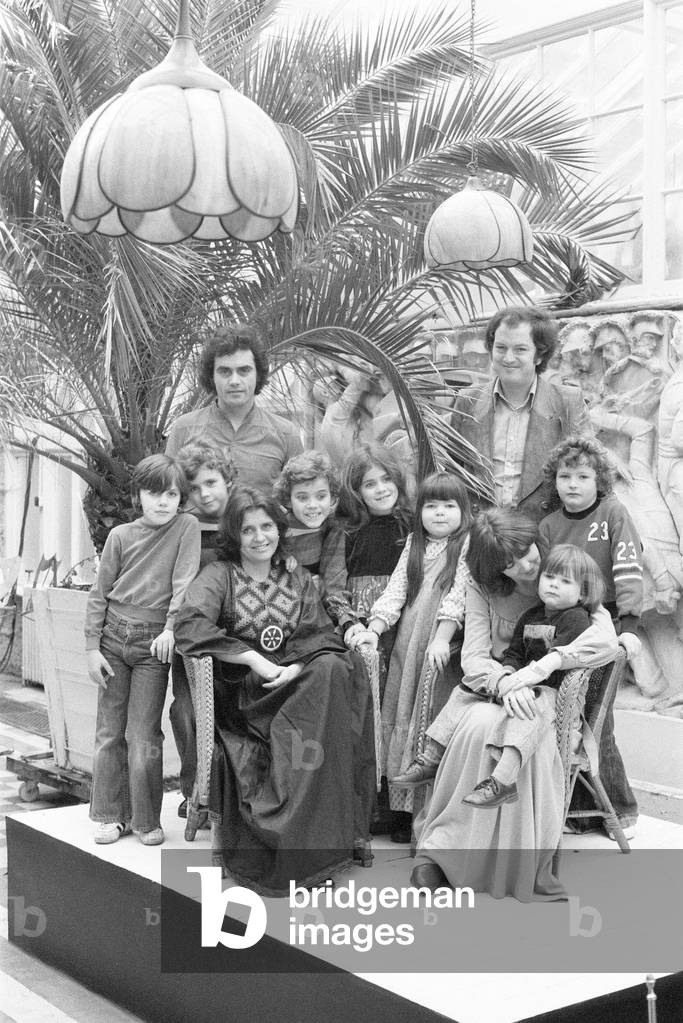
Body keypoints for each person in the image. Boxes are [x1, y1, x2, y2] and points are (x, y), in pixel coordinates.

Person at [408, 509, 619, 902]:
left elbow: (605, 641)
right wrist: (506, 682)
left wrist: (545, 668)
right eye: (511, 563)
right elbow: (473, 658)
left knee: (523, 728)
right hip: (497, 688)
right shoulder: (480, 587)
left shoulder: (564, 571)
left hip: (550, 700)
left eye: (527, 552)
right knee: (476, 725)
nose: (527, 566)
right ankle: (443, 851)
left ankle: (511, 865)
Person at [174, 486, 376, 896]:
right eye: (248, 530)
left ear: (279, 530)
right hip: (247, 695)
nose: (260, 537)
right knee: (322, 687)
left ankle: (326, 834)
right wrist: (251, 658)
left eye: (267, 526)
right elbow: (190, 627)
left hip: (294, 682)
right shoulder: (219, 575)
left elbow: (318, 631)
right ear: (235, 534)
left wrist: (298, 665)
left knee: (338, 667)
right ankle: (285, 832)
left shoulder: (295, 576)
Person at [85, 455, 201, 846]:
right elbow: (99, 595)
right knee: (109, 732)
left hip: (155, 644)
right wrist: (91, 649)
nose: (163, 501)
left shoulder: (187, 527)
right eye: (154, 493)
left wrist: (171, 628)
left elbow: (184, 581)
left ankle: (145, 818)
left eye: (171, 493)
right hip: (113, 639)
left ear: (181, 497)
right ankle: (108, 815)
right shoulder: (119, 536)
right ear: (138, 495)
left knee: (144, 733)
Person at [349, 473, 471, 840]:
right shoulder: (416, 543)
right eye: (431, 506)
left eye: (449, 506)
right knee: (401, 716)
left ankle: (428, 809)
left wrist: (443, 637)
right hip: (408, 642)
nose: (439, 514)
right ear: (419, 512)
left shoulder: (464, 544)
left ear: (463, 512)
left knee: (427, 720)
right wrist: (374, 626)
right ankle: (400, 811)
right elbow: (396, 589)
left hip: (438, 649)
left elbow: (459, 595)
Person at [538, 435, 642, 837]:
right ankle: (580, 811)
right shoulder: (549, 525)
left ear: (599, 480)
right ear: (555, 481)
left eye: (583, 476)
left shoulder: (614, 513)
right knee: (571, 714)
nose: (573, 484)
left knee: (599, 717)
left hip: (606, 622)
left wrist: (629, 625)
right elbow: (545, 583)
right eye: (566, 476)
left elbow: (628, 569)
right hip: (565, 627)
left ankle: (621, 808)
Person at [461, 544, 604, 808]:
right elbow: (514, 652)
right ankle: (433, 753)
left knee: (531, 708)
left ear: (582, 593)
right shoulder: (531, 615)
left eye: (565, 581)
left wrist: (523, 684)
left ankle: (502, 780)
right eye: (549, 577)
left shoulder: (576, 620)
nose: (553, 585)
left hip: (557, 699)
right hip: (525, 689)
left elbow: (563, 661)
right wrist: (509, 673)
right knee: (464, 694)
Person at [449, 305, 591, 523]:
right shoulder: (468, 401)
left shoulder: (568, 402)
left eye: (520, 349)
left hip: (544, 535)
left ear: (539, 355)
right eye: (501, 347)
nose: (508, 357)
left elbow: (588, 473)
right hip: (481, 533)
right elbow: (451, 475)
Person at [170, 441, 237, 817]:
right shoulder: (184, 526)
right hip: (192, 635)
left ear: (228, 480)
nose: (204, 493)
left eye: (211, 482)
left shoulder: (244, 520)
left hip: (238, 634)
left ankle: (229, 791)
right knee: (186, 710)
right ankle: (194, 789)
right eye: (194, 488)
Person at [165, 324, 302, 493]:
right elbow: (167, 494)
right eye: (225, 371)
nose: (234, 380)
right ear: (211, 376)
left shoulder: (286, 433)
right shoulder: (184, 428)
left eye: (244, 370)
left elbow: (298, 499)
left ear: (258, 374)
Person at [273, 449, 347, 621]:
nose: (312, 505)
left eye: (321, 496)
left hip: (318, 604)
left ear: (333, 497)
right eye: (302, 498)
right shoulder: (279, 526)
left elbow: (334, 577)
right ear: (287, 499)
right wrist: (281, 555)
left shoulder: (332, 527)